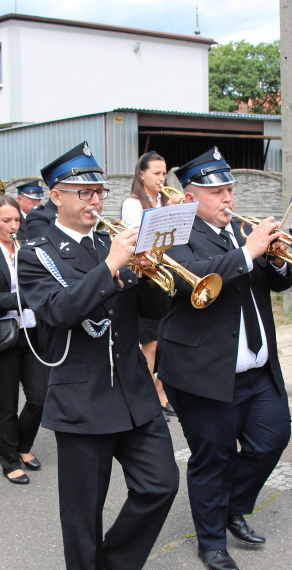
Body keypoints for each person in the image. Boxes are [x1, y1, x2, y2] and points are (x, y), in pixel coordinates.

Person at [16, 141, 178, 570]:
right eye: (83, 193)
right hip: (82, 396)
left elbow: (152, 312)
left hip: (132, 389)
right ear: (55, 195)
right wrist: (113, 265)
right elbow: (59, 313)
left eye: (98, 191)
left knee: (161, 484)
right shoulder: (36, 253)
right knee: (83, 510)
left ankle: (118, 561)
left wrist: (151, 268)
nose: (93, 202)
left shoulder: (110, 242)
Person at [156, 147, 292, 570]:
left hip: (257, 367)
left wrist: (274, 256)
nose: (228, 199)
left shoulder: (238, 230)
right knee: (212, 457)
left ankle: (233, 507)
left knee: (273, 438)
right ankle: (212, 539)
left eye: (230, 189)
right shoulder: (175, 230)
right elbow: (193, 281)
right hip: (203, 371)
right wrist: (248, 252)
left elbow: (280, 280)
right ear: (191, 195)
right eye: (217, 192)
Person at [0, 195, 48, 484]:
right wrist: (22, 299)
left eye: (17, 220)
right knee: (6, 402)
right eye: (6, 221)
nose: (13, 225)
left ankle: (22, 446)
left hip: (30, 333)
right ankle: (9, 459)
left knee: (40, 398)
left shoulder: (28, 250)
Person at [121, 152, 175, 418]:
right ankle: (147, 396)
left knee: (167, 339)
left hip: (167, 273)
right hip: (147, 279)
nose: (161, 178)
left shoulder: (165, 200)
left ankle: (161, 390)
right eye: (156, 173)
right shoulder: (133, 204)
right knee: (150, 343)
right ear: (142, 174)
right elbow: (139, 240)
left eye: (164, 173)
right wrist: (167, 215)